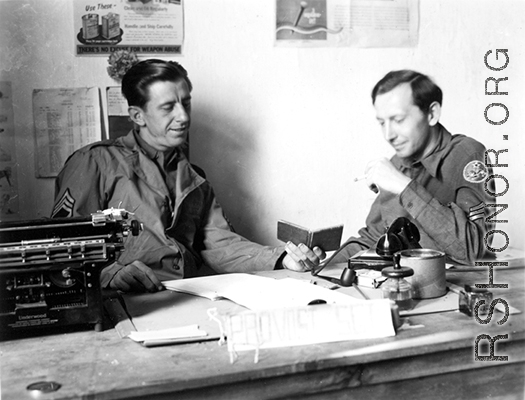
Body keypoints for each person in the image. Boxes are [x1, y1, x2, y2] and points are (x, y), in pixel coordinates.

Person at [52, 59, 323, 292]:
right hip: (121, 301)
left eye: (186, 104)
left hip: (186, 296)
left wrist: (283, 258)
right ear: (137, 116)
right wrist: (109, 273)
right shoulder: (94, 163)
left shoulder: (194, 176)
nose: (183, 116)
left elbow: (218, 242)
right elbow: (62, 244)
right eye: (168, 107)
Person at [330, 70, 494, 265]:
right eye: (382, 123)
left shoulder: (469, 155)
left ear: (432, 114)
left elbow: (475, 251)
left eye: (398, 120)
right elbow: (373, 239)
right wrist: (319, 265)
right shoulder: (397, 163)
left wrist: (404, 187)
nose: (388, 134)